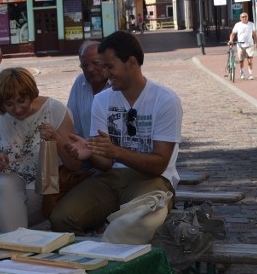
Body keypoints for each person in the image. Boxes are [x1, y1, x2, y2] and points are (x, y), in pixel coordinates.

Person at [49, 31, 182, 235]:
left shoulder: (165, 100)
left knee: (131, 224)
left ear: (131, 62)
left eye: (110, 66)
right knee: (61, 219)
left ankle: (114, 240)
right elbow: (105, 163)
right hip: (111, 177)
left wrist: (116, 152)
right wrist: (90, 152)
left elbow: (159, 164)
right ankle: (92, 258)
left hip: (154, 180)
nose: (105, 73)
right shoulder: (102, 100)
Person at [0, 67, 81, 232]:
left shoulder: (54, 110)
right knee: (8, 182)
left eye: (22, 100)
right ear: (0, 103)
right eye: (9, 104)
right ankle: (20, 242)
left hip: (43, 190)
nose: (18, 109)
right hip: (2, 187)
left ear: (32, 93)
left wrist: (56, 139)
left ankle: (11, 244)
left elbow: (75, 164)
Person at [67, 40, 110, 139]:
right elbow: (71, 120)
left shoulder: (115, 85)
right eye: (85, 66)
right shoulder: (80, 82)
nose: (90, 69)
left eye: (95, 63)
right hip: (86, 149)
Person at [229, 12, 257, 80]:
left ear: (247, 17)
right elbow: (233, 34)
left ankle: (250, 74)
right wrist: (231, 40)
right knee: (241, 60)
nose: (244, 18)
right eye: (243, 17)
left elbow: (254, 35)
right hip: (240, 45)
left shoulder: (251, 24)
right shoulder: (237, 25)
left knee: (250, 60)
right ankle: (242, 72)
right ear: (240, 18)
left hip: (250, 45)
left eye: (245, 16)